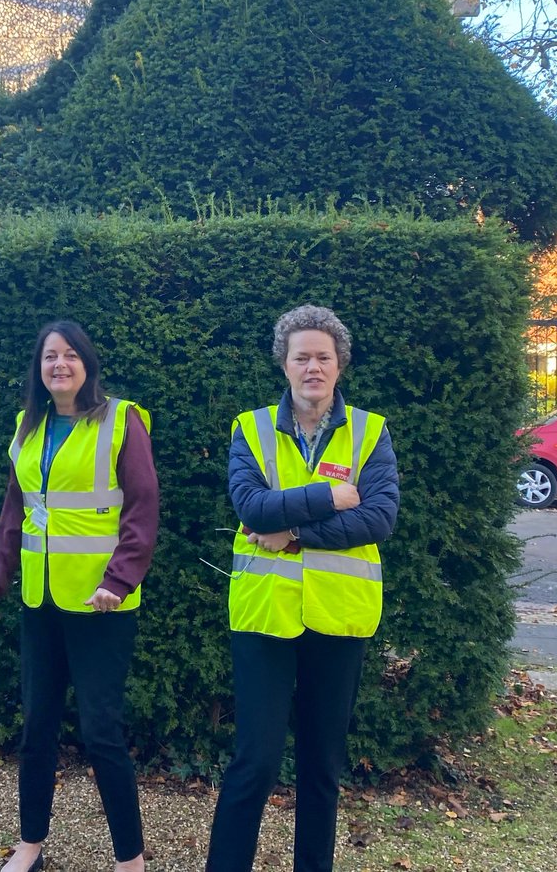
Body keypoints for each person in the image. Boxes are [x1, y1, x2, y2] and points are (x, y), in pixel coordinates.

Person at [205, 305, 399, 872]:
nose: (312, 367)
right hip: (264, 616)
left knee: (321, 768)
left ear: (339, 366)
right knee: (255, 762)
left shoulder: (371, 431)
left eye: (323, 357)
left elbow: (378, 518)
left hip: (338, 618)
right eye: (301, 357)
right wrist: (327, 496)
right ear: (284, 365)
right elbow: (248, 507)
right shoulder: (251, 428)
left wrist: (289, 531)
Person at [0, 320, 159, 872]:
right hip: (40, 602)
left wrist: (119, 580)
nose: (60, 364)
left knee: (102, 732)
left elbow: (142, 509)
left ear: (88, 365)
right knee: (37, 726)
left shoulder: (122, 420)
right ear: (39, 368)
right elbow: (16, 512)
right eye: (50, 356)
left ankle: (129, 858)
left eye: (71, 355)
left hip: (102, 604)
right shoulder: (27, 428)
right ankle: (30, 843)